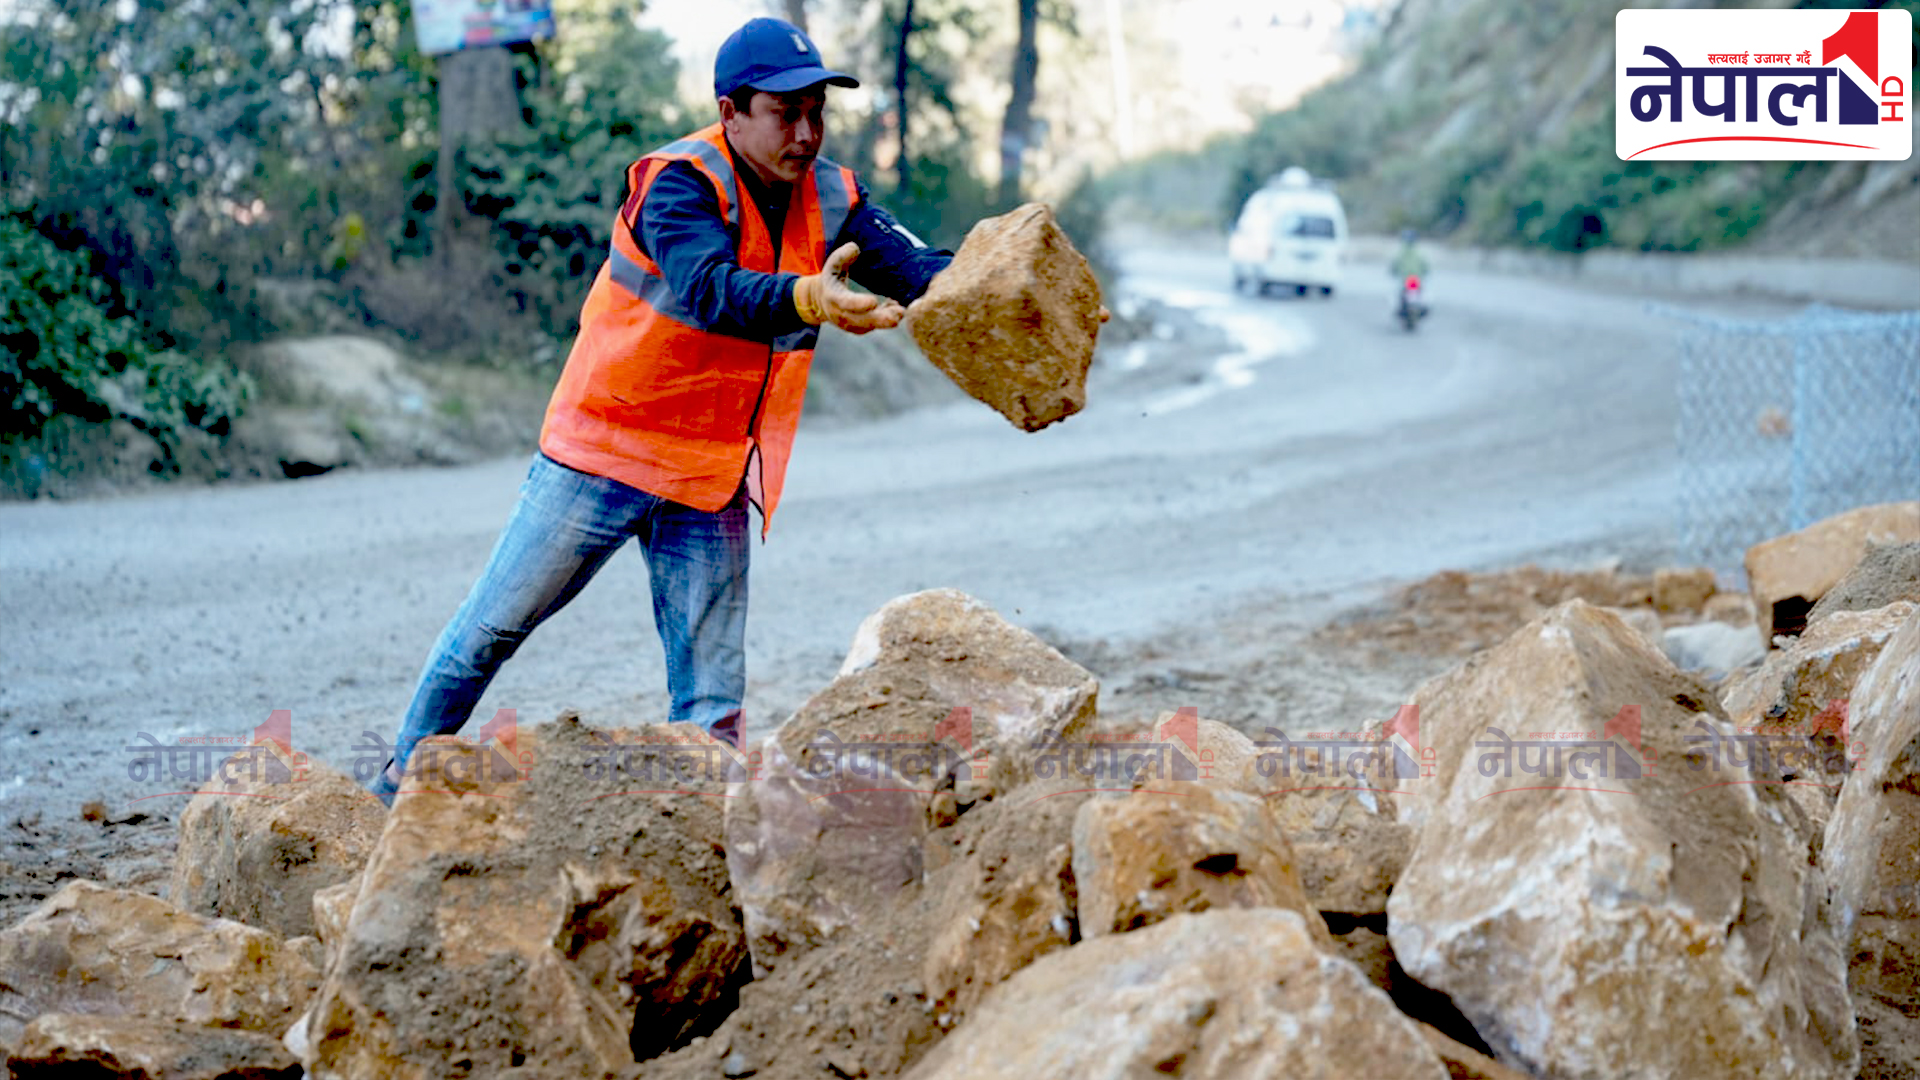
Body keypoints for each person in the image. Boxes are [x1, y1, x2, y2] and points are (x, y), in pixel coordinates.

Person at [364, 17, 953, 807]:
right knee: (488, 633)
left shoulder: (833, 195)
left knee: (713, 703)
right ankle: (392, 789)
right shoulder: (677, 182)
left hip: (708, 472)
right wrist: (810, 296)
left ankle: (704, 840)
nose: (808, 133)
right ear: (731, 111)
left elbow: (921, 270)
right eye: (787, 113)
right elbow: (710, 288)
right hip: (604, 451)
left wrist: (1015, 287)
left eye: (818, 111)